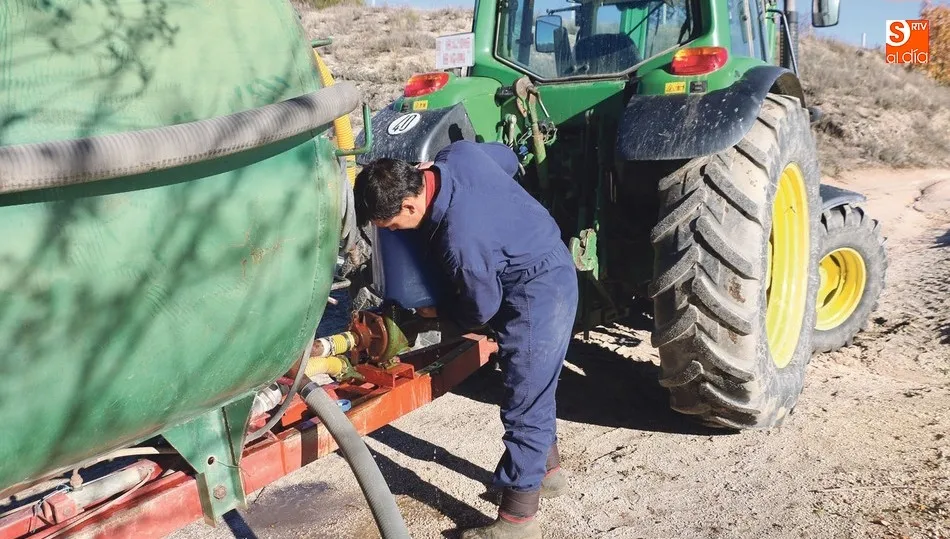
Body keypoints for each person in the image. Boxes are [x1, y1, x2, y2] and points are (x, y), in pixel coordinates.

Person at [354, 140, 578, 539]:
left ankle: (518, 523)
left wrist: (437, 314)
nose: (392, 233)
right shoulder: (455, 156)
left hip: (538, 291)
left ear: (410, 205)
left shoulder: (462, 241)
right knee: (533, 386)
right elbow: (507, 159)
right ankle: (548, 475)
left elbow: (480, 310)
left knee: (524, 401)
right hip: (533, 257)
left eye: (391, 227)